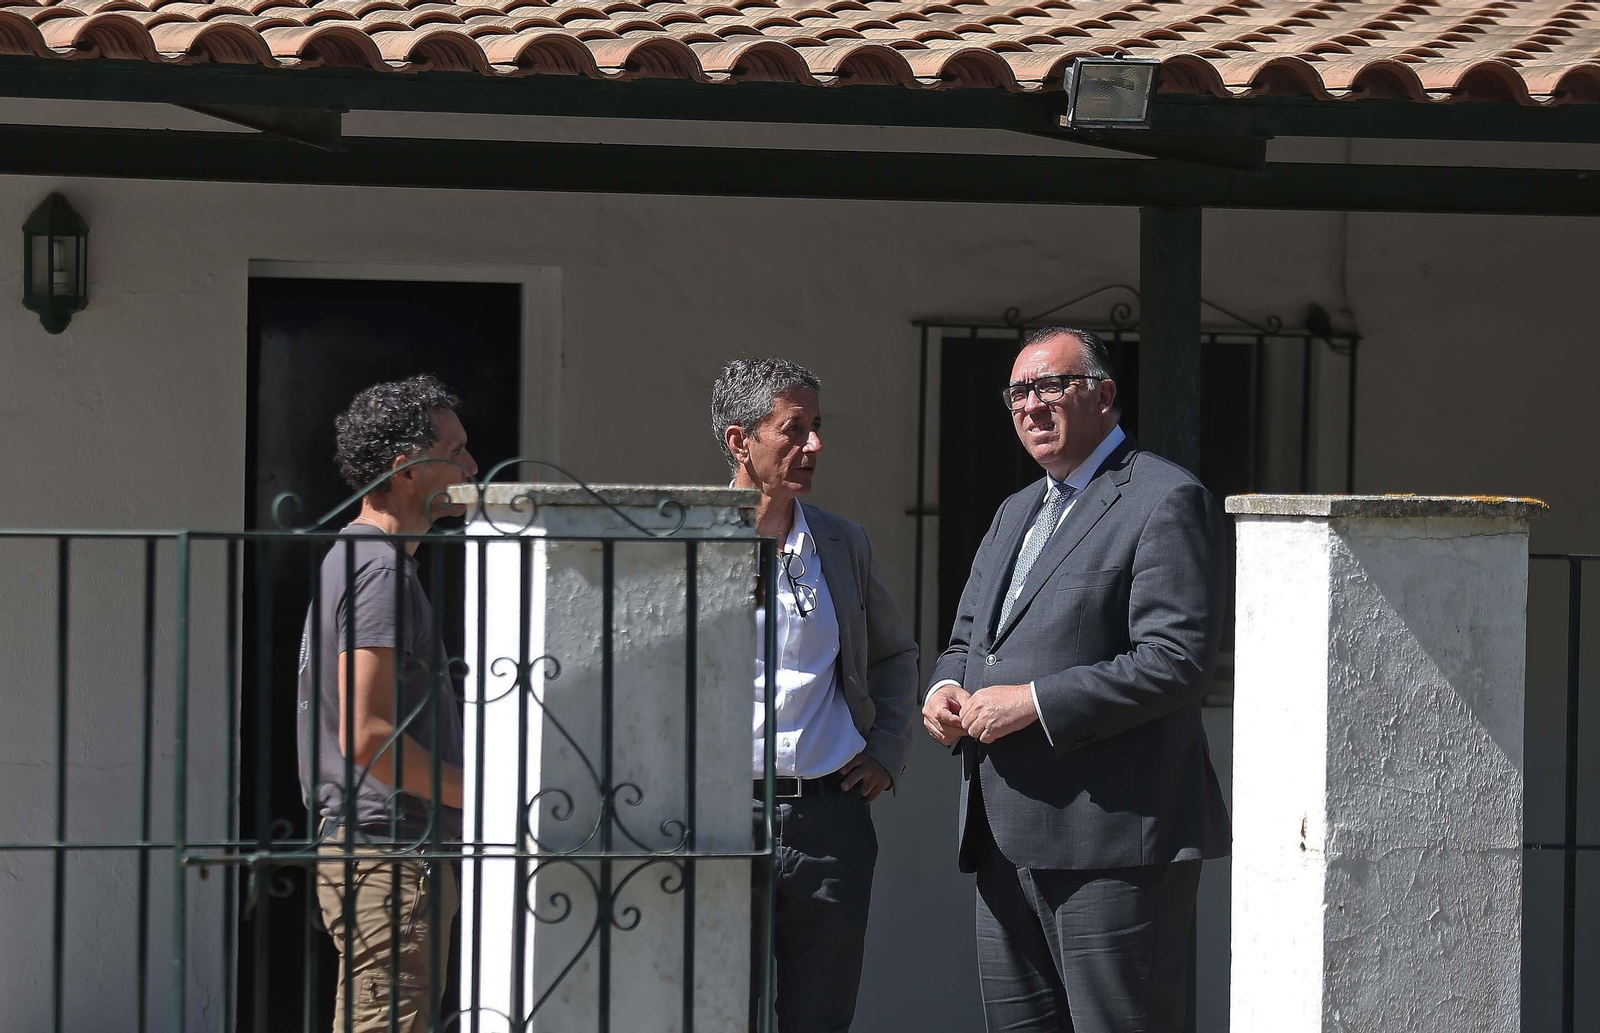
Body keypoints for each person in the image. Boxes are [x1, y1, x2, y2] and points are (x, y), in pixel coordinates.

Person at [921, 327, 1230, 1033]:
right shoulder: (1015, 511)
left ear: (1105, 395)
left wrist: (1033, 701)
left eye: (1050, 385)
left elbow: (1177, 661)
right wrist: (944, 688)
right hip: (1004, 837)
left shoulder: (1165, 497)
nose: (1031, 405)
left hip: (1114, 845)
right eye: (1018, 392)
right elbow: (969, 637)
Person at [711, 357, 919, 1033]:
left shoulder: (840, 540)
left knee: (821, 1018)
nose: (814, 446)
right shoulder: (691, 536)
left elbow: (893, 653)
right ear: (741, 440)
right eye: (793, 428)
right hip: (719, 817)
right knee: (718, 1012)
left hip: (829, 822)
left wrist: (886, 749)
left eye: (818, 427)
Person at [296, 373, 478, 1033]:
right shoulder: (378, 570)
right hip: (390, 849)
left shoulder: (361, 555)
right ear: (406, 468)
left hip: (379, 847)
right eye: (455, 449)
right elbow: (368, 734)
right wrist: (485, 793)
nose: (472, 465)